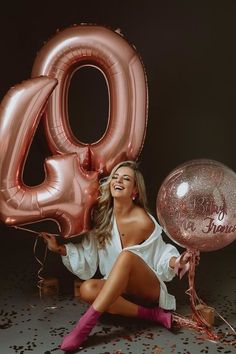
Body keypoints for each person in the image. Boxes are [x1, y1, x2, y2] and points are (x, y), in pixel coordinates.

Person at [42, 160, 189, 352]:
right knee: (87, 289)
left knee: (126, 257)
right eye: (115, 177)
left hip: (146, 289)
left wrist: (177, 261)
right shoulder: (102, 218)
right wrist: (59, 249)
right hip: (117, 289)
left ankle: (83, 327)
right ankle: (152, 315)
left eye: (126, 178)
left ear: (134, 191)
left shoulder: (143, 221)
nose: (118, 181)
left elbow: (161, 256)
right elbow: (89, 255)